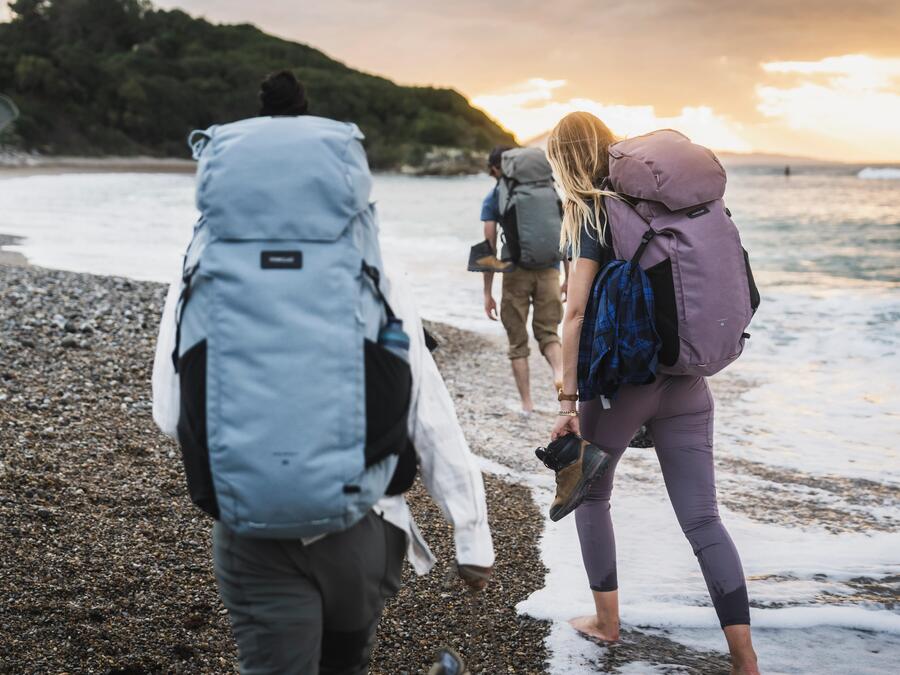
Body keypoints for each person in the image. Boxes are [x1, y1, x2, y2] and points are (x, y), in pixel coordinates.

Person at [152, 70, 494, 675]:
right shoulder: (370, 265)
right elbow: (423, 405)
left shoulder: (202, 268)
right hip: (362, 526)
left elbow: (169, 413)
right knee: (344, 662)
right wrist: (471, 535)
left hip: (251, 526)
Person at [545, 111, 760, 675]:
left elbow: (573, 312)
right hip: (688, 381)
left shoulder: (592, 211)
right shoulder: (667, 207)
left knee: (591, 495)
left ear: (563, 160)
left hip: (624, 387)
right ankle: (745, 659)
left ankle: (606, 623)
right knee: (704, 519)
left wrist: (568, 403)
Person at [481, 146, 568, 414]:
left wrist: (487, 292)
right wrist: (568, 276)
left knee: (518, 341)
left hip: (514, 272)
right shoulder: (549, 190)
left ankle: (527, 405)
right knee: (549, 333)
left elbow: (488, 244)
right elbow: (565, 234)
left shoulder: (496, 195)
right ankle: (559, 373)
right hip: (550, 269)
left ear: (499, 169)